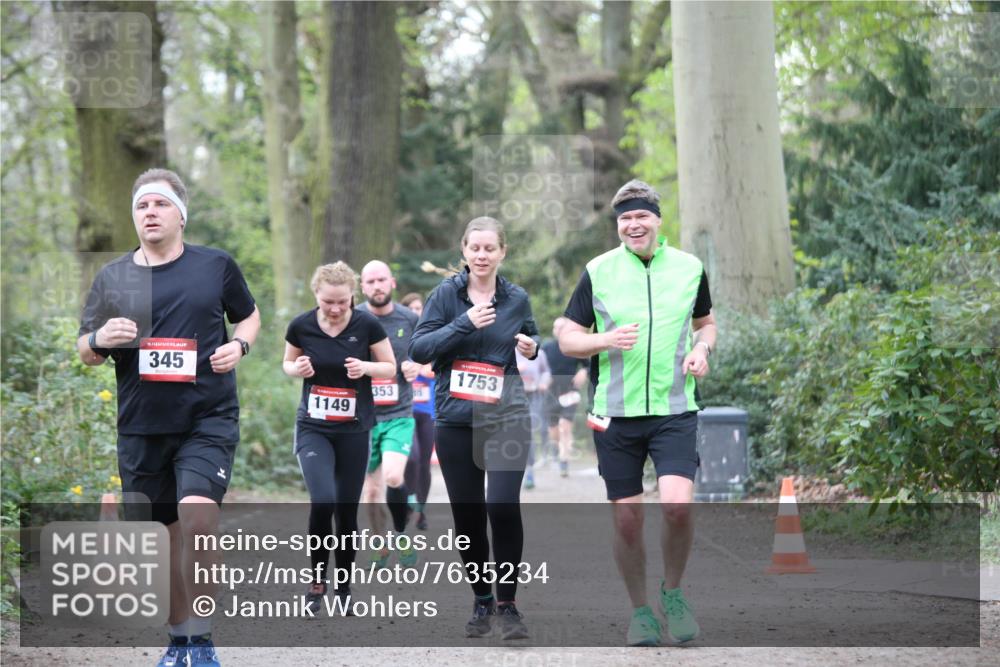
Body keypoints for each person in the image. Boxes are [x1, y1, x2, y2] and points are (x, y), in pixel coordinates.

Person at [77, 168, 260, 667]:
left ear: (181, 215)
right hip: (141, 426)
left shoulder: (214, 266)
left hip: (207, 417)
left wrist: (239, 345)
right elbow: (86, 350)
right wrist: (100, 339)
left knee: (198, 520)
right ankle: (180, 641)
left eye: (160, 204)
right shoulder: (114, 277)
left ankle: (202, 641)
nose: (150, 212)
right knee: (162, 542)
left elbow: (248, 315)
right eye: (142, 206)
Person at [558, 179, 716, 647]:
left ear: (658, 220)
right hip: (615, 414)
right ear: (618, 225)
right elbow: (568, 337)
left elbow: (706, 324)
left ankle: (673, 593)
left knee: (677, 507)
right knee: (628, 521)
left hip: (674, 410)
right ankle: (641, 612)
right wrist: (603, 340)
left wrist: (702, 350)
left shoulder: (689, 268)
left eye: (641, 215)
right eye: (625, 218)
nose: (633, 224)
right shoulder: (599, 270)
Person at [409, 216, 539, 640]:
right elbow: (419, 349)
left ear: (503, 252)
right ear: (463, 250)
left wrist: (531, 346)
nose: (482, 255)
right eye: (475, 248)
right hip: (456, 419)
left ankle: (508, 605)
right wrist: (464, 322)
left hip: (506, 416)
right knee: (468, 516)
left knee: (502, 506)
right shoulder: (444, 296)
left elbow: (531, 337)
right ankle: (482, 598)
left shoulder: (516, 298)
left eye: (490, 248)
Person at [284, 262, 397, 615]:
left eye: (342, 302)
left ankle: (344, 585)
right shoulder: (301, 325)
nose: (335, 309)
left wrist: (366, 368)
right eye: (328, 302)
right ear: (316, 295)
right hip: (313, 427)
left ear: (353, 297)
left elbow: (390, 366)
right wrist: (297, 368)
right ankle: (317, 581)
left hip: (354, 429)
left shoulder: (367, 325)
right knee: (323, 501)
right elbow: (288, 363)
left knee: (346, 512)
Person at [356, 261, 421, 567]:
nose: (377, 286)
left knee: (394, 477)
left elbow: (428, 354)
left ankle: (402, 532)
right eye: (370, 282)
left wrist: (417, 365)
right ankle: (380, 545)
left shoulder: (410, 318)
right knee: (370, 491)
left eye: (381, 280)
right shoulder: (354, 317)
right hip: (364, 417)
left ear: (392, 282)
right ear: (362, 286)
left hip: (399, 413)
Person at [399, 291, 435, 530]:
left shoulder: (431, 337)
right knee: (411, 458)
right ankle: (408, 502)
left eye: (418, 308)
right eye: (410, 308)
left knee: (424, 462)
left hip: (428, 409)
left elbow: (433, 370)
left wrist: (420, 368)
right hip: (405, 409)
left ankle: (420, 510)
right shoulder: (399, 338)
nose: (415, 312)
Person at [542, 317, 589, 476]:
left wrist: (583, 371)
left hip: (570, 393)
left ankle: (564, 462)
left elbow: (589, 365)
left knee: (565, 426)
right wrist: (542, 379)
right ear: (554, 330)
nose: (559, 330)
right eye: (556, 327)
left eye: (562, 327)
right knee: (554, 429)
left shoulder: (574, 347)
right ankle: (556, 451)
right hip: (551, 394)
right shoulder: (546, 347)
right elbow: (536, 366)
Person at [514, 345, 551, 489]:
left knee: (527, 432)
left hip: (533, 396)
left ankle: (529, 472)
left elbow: (546, 372)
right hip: (511, 396)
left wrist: (543, 382)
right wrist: (516, 370)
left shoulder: (539, 353)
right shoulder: (508, 350)